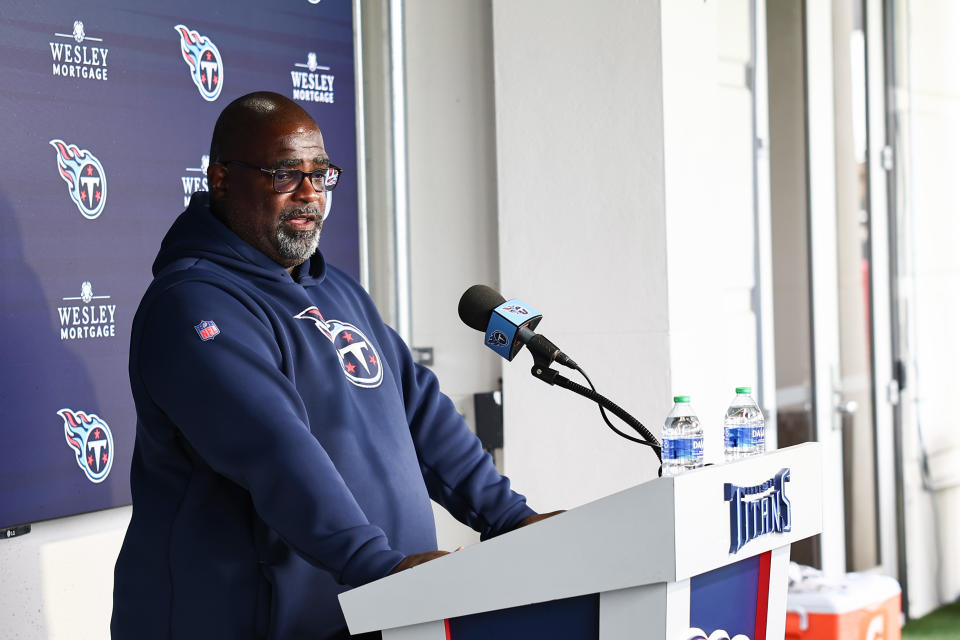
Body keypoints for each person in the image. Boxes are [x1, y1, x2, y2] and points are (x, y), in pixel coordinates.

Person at [111, 91, 557, 640]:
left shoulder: (338, 291)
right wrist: (377, 566)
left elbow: (420, 411)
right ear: (222, 179)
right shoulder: (194, 303)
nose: (309, 194)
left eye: (320, 175)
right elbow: (273, 449)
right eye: (284, 174)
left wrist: (511, 520)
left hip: (372, 612)